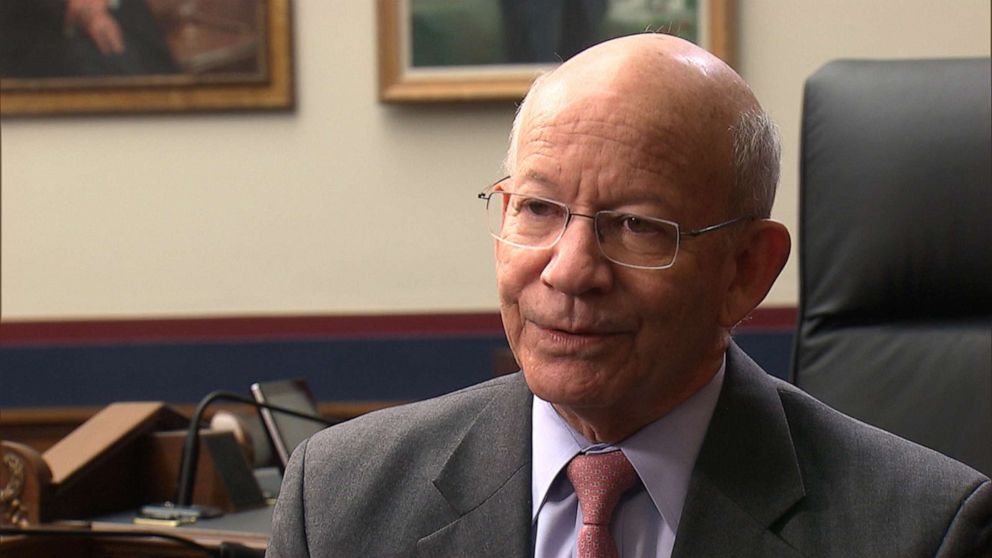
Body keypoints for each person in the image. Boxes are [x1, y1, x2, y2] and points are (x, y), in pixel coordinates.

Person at [266, 34, 991, 557]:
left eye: (637, 226)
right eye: (538, 210)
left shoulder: (922, 529)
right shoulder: (338, 500)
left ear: (746, 269)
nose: (570, 270)